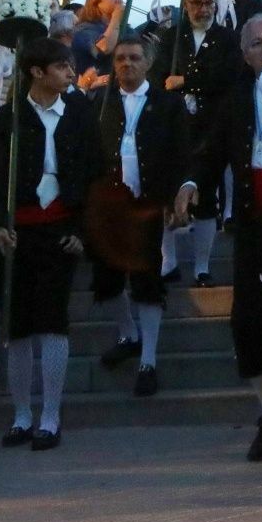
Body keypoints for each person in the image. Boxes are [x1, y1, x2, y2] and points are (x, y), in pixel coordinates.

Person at [175, 14, 262, 462]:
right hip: (253, 223)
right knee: (248, 325)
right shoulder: (235, 99)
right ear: (245, 53)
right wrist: (193, 184)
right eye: (257, 43)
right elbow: (211, 151)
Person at [0, 37, 96, 450]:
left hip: (60, 227)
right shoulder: (8, 118)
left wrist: (80, 229)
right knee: (17, 324)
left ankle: (50, 414)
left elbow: (90, 173)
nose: (70, 72)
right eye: (61, 66)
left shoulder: (79, 113)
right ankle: (21, 413)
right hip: (19, 229)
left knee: (52, 320)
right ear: (37, 72)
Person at [91, 35, 188, 398]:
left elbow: (180, 151)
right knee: (107, 278)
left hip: (148, 201)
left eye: (133, 58)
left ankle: (148, 359)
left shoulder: (167, 104)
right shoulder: (101, 102)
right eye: (120, 59)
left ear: (147, 63)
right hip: (109, 201)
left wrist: (175, 196)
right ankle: (128, 333)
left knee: (147, 281)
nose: (126, 65)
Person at [155, 0, 241, 287]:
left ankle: (202, 266)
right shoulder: (170, 37)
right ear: (185, 4)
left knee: (205, 197)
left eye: (208, 3)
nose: (203, 9)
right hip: (175, 128)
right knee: (166, 193)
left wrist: (186, 81)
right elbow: (160, 77)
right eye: (196, 3)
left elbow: (226, 76)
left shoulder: (228, 38)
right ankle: (169, 261)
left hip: (211, 129)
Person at [69, 0, 124, 78]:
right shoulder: (84, 30)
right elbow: (104, 48)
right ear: (96, 3)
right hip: (92, 88)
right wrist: (116, 17)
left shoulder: (124, 29)